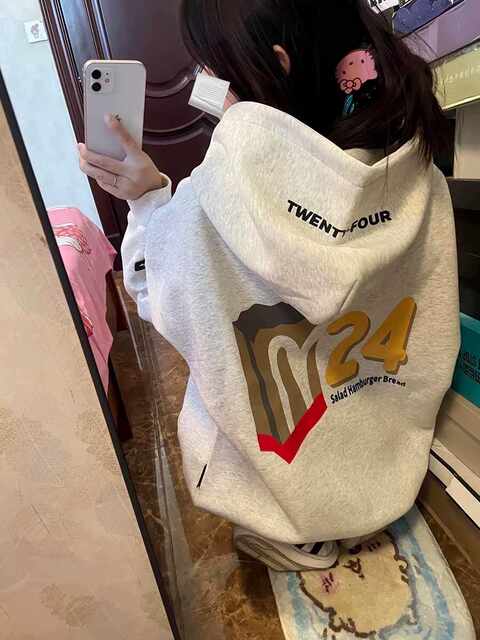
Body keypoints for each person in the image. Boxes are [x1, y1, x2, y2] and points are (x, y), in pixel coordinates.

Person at [78, 0, 459, 572]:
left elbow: (156, 295)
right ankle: (355, 507)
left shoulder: (210, 198)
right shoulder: (421, 178)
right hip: (388, 478)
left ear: (276, 63)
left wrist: (149, 199)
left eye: (210, 68)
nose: (203, 83)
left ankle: (293, 535)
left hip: (279, 487)